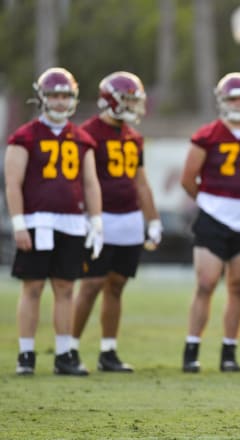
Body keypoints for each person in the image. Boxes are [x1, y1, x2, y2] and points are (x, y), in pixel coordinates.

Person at [5, 67, 103, 376]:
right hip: (38, 221)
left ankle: (64, 354)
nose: (60, 102)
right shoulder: (25, 136)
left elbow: (90, 183)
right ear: (42, 98)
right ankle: (26, 355)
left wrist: (96, 220)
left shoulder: (82, 138)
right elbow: (12, 183)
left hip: (72, 223)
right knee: (32, 288)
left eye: (65, 95)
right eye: (54, 95)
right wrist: (19, 223)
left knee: (65, 288)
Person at [180, 72, 240, 373]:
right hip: (213, 216)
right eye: (232, 98)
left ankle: (228, 351)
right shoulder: (207, 135)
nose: (237, 103)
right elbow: (188, 179)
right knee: (206, 283)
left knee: (237, 287)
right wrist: (212, 203)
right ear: (222, 101)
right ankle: (192, 348)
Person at [71, 71, 162, 373]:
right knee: (91, 284)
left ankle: (107, 351)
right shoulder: (87, 133)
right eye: (129, 100)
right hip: (99, 217)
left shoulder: (133, 137)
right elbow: (79, 180)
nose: (134, 106)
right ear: (111, 99)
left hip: (129, 218)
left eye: (136, 100)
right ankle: (68, 348)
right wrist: (84, 216)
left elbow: (141, 182)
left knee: (117, 284)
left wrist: (153, 220)